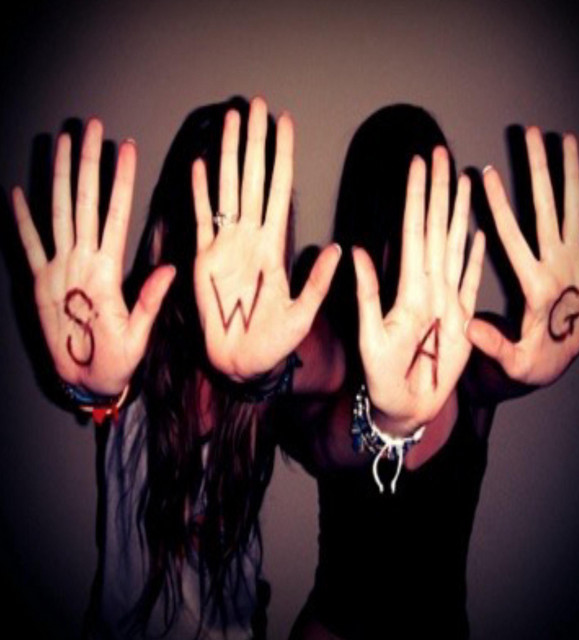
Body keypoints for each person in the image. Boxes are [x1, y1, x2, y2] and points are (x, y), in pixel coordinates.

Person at [287, 104, 579, 639]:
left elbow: (501, 360)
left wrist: (535, 353)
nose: (411, 234)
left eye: (429, 205)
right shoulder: (336, 337)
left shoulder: (468, 346)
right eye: (396, 206)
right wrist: (378, 420)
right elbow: (318, 434)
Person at [10, 96, 342, 639]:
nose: (220, 242)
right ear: (170, 221)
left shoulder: (278, 340)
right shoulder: (125, 329)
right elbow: (99, 390)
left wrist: (266, 371)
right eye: (207, 211)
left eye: (241, 217)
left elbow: (332, 366)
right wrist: (91, 392)